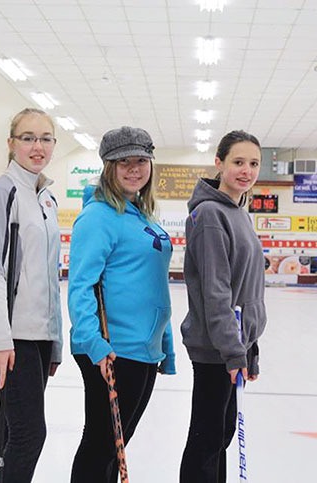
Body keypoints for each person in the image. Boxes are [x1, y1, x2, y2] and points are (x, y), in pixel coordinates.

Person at [68, 126, 176, 482]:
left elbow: (154, 285)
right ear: (108, 167)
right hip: (113, 349)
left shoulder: (140, 213)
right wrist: (94, 344)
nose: (133, 168)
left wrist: (166, 346)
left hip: (143, 350)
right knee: (101, 447)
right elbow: (81, 286)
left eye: (141, 160)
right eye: (123, 161)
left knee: (116, 449)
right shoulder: (99, 216)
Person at [0, 107, 62, 482]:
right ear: (11, 144)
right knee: (30, 434)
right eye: (28, 138)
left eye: (45, 138)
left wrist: (55, 342)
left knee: (13, 433)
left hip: (38, 336)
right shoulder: (2, 193)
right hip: (11, 336)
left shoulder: (45, 198)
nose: (37, 146)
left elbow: (48, 278)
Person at [179, 130, 267, 483]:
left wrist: (250, 347)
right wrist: (233, 351)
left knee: (221, 434)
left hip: (233, 344)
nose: (246, 171)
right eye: (238, 162)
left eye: (254, 163)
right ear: (219, 163)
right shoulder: (211, 214)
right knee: (207, 437)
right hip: (214, 346)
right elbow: (216, 291)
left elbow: (247, 288)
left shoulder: (239, 212)